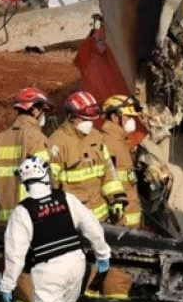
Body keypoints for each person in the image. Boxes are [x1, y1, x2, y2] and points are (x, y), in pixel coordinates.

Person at [0, 156, 111, 302]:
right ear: (46, 175)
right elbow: (92, 226)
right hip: (75, 263)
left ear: (23, 182)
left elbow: (15, 255)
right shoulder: (66, 198)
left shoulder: (23, 212)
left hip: (48, 270)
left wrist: (7, 285)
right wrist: (103, 254)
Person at [48, 91, 126, 225]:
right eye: (84, 119)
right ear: (70, 116)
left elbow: (109, 172)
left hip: (102, 219)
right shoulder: (56, 143)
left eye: (91, 120)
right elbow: (50, 186)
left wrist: (116, 200)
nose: (89, 124)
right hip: (75, 222)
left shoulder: (96, 137)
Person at [0, 87, 53, 228]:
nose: (43, 116)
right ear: (35, 110)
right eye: (43, 111)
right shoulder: (36, 138)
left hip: (5, 219)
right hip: (31, 217)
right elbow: (46, 179)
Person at [99, 95, 144, 229]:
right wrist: (120, 221)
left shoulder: (121, 142)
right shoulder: (109, 144)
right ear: (114, 117)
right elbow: (110, 186)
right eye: (128, 117)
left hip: (131, 222)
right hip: (123, 225)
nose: (132, 121)